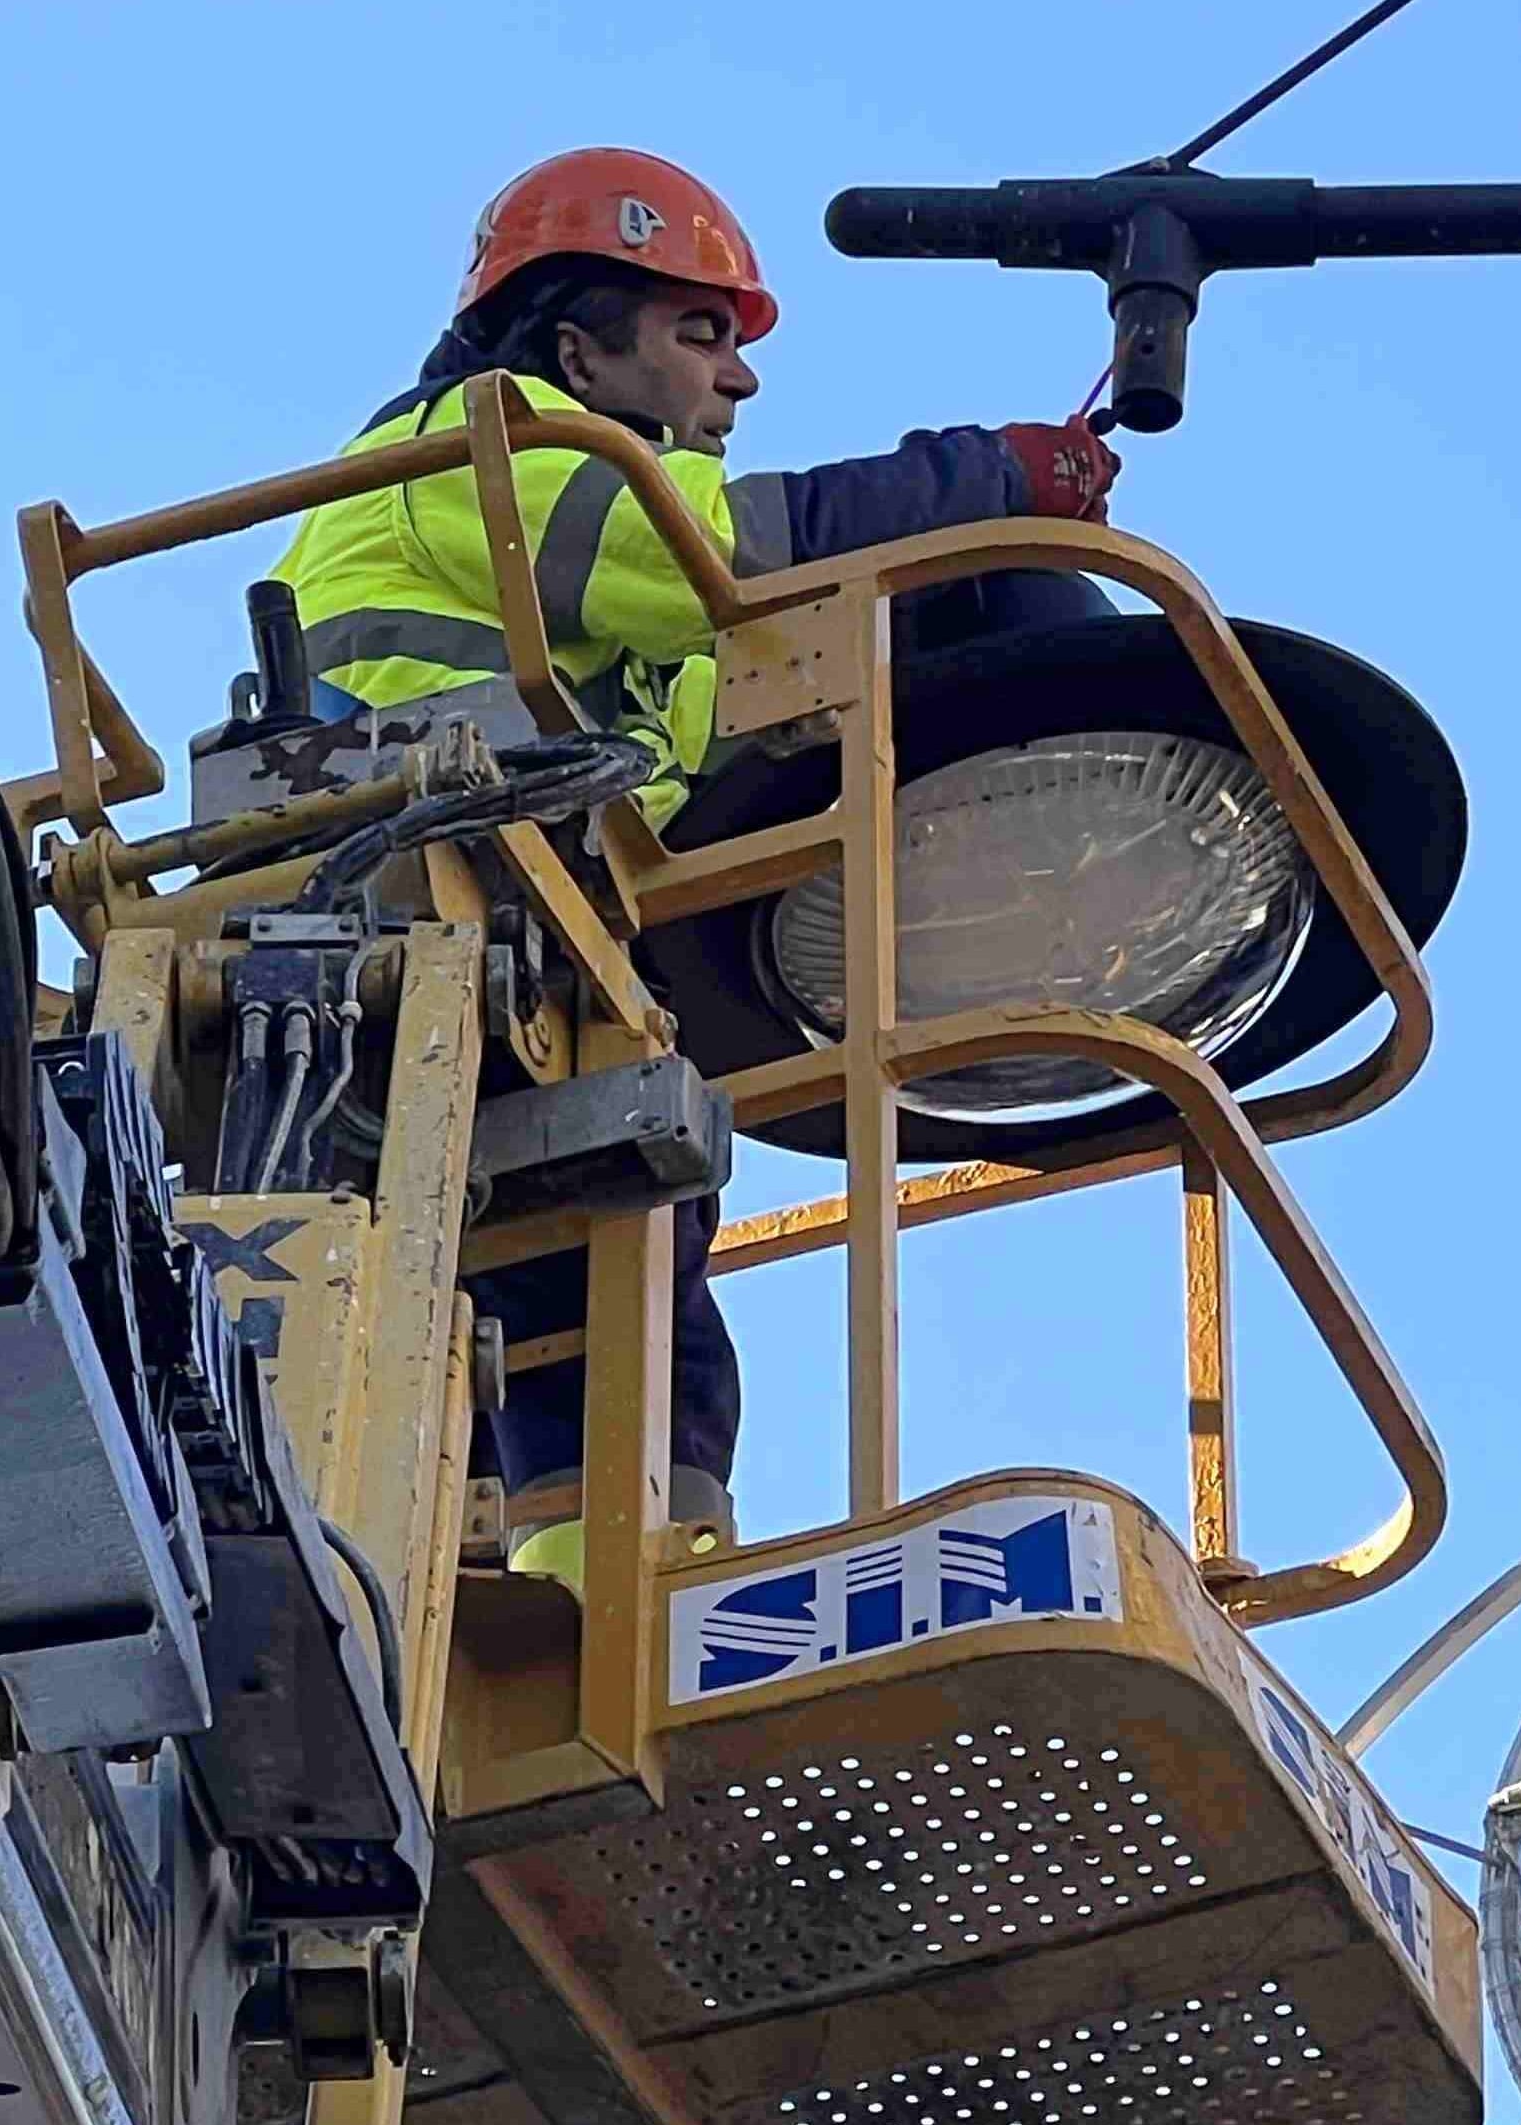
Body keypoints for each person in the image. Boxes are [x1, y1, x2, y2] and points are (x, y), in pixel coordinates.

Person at [271, 147, 1122, 1526]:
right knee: (587, 1292)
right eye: (700, 332)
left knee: (614, 1282)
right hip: (414, 912)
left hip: (506, 933)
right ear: (576, 349)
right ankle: (580, 1615)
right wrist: (985, 477)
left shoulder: (599, 608)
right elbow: (718, 562)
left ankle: (570, 1598)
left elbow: (710, 739)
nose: (741, 378)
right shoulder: (492, 446)